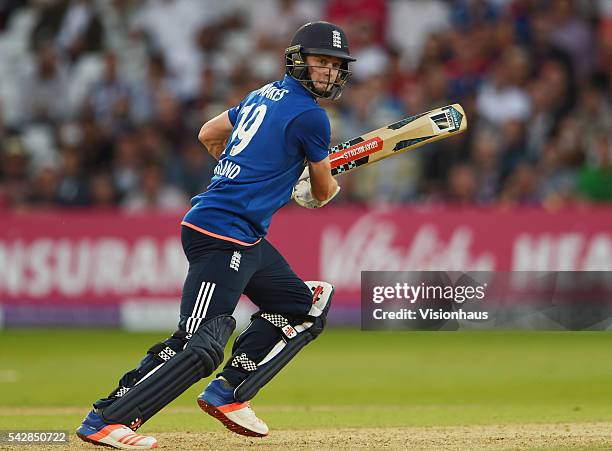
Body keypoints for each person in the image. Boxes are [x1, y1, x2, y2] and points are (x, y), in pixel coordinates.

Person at [76, 21, 356, 449]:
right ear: (298, 60)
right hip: (221, 232)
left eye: (336, 66)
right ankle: (108, 418)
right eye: (322, 62)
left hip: (240, 235)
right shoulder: (311, 116)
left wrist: (246, 170)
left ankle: (229, 391)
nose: (329, 73)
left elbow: (208, 134)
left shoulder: (263, 93)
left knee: (305, 305)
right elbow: (322, 190)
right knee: (199, 343)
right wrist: (316, 193)